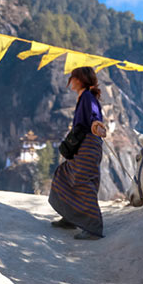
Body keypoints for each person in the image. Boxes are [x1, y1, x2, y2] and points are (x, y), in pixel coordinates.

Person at [48, 67, 108, 240]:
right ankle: (70, 218)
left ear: (80, 80)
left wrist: (96, 123)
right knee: (64, 175)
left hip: (88, 145)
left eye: (73, 78)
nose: (70, 81)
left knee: (82, 182)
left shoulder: (88, 97)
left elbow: (94, 116)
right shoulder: (85, 97)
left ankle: (93, 229)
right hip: (84, 145)